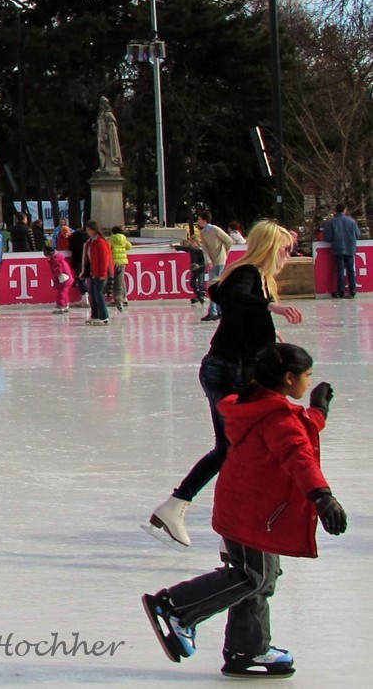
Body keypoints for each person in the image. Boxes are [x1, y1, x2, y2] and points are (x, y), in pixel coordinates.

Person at [142, 343, 346, 678]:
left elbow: (296, 431)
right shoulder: (277, 417)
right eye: (307, 376)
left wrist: (318, 411)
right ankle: (176, 606)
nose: (310, 382)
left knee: (260, 579)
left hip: (249, 506)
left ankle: (247, 650)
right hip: (256, 512)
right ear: (289, 378)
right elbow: (298, 454)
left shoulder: (256, 405)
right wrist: (322, 497)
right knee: (250, 576)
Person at [145, 220, 304, 550]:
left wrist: (270, 337)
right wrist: (270, 307)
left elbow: (236, 313)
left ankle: (192, 513)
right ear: (270, 247)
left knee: (236, 449)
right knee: (232, 449)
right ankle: (190, 512)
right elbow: (235, 298)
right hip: (224, 374)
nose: (289, 256)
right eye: (285, 249)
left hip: (235, 374)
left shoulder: (257, 278)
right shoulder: (247, 275)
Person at [197, 210, 233, 319]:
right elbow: (205, 248)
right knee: (216, 285)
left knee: (213, 285)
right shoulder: (203, 233)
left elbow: (229, 241)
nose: (198, 221)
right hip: (212, 261)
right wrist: (208, 260)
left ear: (204, 220)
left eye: (199, 219)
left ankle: (213, 312)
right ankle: (219, 310)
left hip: (219, 260)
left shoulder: (215, 230)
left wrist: (225, 253)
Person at [322, 203, 360, 298]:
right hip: (350, 248)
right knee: (351, 269)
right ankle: (353, 290)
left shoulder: (331, 222)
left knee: (340, 270)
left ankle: (341, 290)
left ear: (335, 210)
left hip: (338, 249)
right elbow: (358, 235)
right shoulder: (352, 222)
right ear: (345, 210)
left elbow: (327, 237)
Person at [82, 220, 115, 326]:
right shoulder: (91, 242)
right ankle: (95, 315)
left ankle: (103, 316)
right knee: (93, 294)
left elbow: (104, 259)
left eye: (88, 229)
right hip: (93, 272)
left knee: (98, 294)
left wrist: (102, 273)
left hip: (100, 273)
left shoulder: (101, 242)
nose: (87, 232)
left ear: (93, 230)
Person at [108, 225, 131, 308]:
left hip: (114, 262)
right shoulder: (124, 238)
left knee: (115, 281)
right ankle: (124, 298)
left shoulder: (111, 239)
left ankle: (116, 299)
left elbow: (107, 248)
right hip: (123, 262)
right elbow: (129, 247)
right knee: (121, 280)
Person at [45, 245, 71, 314]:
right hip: (65, 279)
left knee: (61, 293)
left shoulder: (56, 260)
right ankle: (65, 305)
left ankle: (61, 306)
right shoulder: (57, 259)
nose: (47, 257)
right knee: (64, 293)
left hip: (63, 279)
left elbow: (58, 270)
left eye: (47, 255)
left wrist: (54, 277)